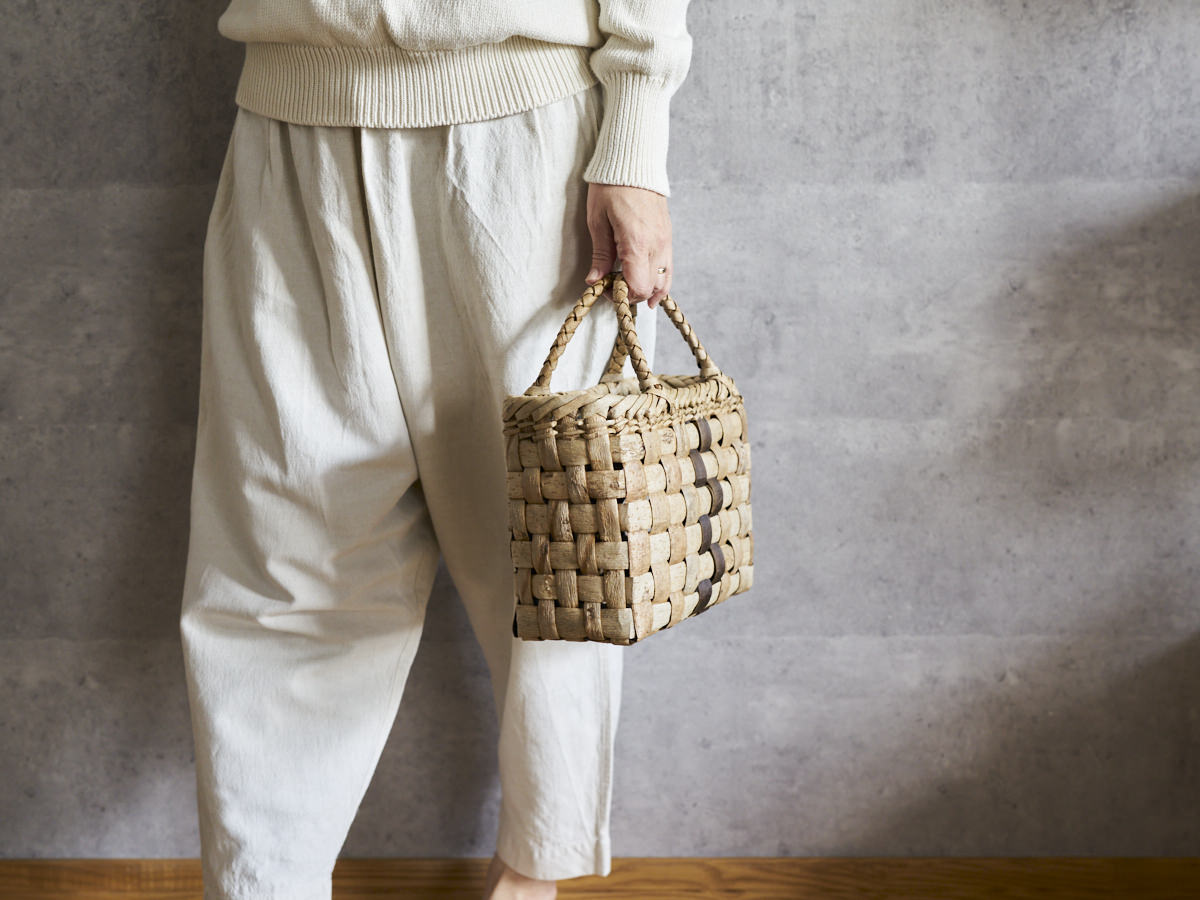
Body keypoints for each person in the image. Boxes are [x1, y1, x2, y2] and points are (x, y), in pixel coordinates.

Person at [178, 2, 692, 899]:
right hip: (288, 120)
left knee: (553, 548)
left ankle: (533, 869)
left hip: (524, 139)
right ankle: (264, 885)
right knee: (281, 550)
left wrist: (636, 140)